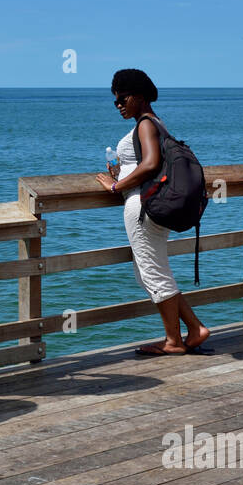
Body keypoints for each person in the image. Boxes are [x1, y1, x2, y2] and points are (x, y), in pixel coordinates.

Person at [95, 69, 210, 355]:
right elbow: (148, 166)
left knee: (153, 272)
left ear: (140, 97)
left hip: (143, 208)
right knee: (149, 272)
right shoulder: (156, 124)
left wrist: (115, 185)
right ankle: (194, 328)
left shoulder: (146, 124)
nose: (119, 105)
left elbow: (150, 164)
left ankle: (174, 341)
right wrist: (124, 172)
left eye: (123, 98)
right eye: (115, 101)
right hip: (151, 207)